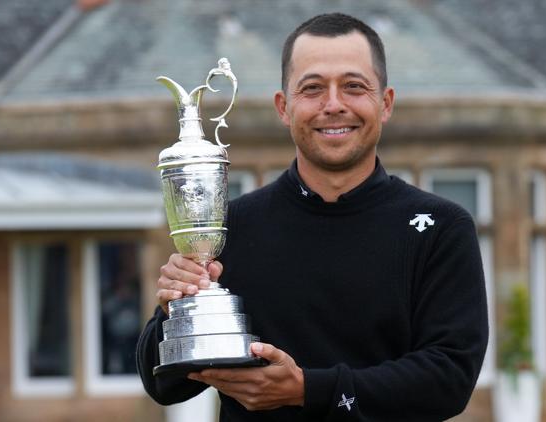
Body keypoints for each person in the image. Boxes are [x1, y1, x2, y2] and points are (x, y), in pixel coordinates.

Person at [137, 12, 488, 421]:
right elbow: (162, 384)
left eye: (354, 87)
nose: (334, 105)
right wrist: (174, 309)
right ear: (284, 108)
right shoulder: (232, 227)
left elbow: (449, 379)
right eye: (313, 88)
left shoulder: (441, 227)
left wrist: (309, 390)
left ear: (385, 103)